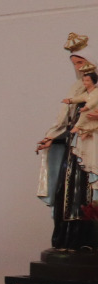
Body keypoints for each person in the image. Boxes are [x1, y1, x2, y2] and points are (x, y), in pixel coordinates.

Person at [38, 36, 98, 249]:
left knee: (90, 191)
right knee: (68, 192)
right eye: (74, 64)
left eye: (81, 62)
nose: (78, 68)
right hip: (74, 148)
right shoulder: (76, 89)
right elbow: (63, 120)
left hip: (93, 147)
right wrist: (51, 137)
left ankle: (91, 240)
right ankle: (68, 239)